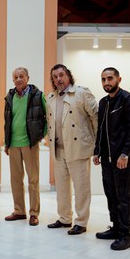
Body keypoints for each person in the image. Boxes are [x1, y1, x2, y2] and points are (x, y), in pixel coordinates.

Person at [93, 67, 130, 250]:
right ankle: (115, 227)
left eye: (110, 78)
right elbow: (101, 129)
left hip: (124, 157)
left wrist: (124, 154)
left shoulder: (129, 100)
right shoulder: (104, 102)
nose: (107, 82)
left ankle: (125, 234)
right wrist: (97, 151)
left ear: (119, 79)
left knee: (124, 195)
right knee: (111, 193)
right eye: (103, 79)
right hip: (107, 157)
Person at [46, 64, 98, 235]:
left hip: (78, 148)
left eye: (61, 75)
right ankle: (64, 218)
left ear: (68, 76)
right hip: (59, 149)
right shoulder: (51, 98)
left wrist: (98, 145)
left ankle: (81, 222)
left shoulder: (82, 93)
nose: (58, 79)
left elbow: (96, 118)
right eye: (55, 77)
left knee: (81, 187)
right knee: (61, 187)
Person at [3, 67, 47, 226]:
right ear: (13, 80)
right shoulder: (9, 97)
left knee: (33, 179)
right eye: (15, 77)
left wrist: (41, 136)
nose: (18, 79)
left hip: (30, 144)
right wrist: (6, 143)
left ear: (27, 78)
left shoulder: (38, 95)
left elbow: (47, 117)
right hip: (13, 144)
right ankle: (19, 210)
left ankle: (34, 213)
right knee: (15, 179)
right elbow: (7, 122)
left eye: (21, 76)